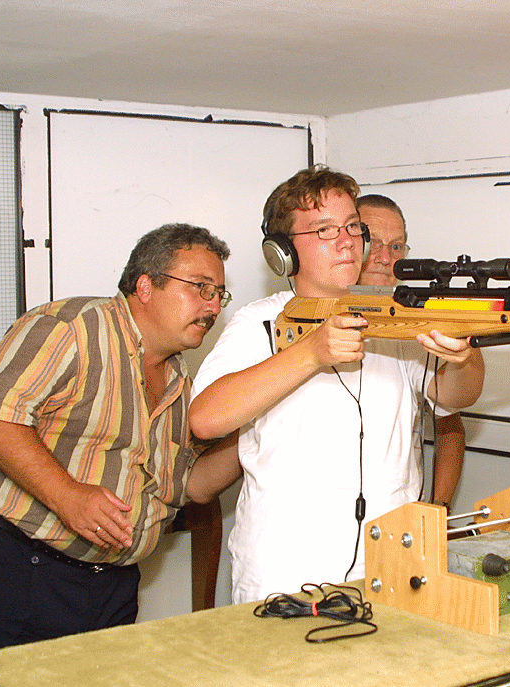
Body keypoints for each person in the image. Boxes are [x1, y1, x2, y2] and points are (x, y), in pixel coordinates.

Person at [0, 223, 235, 652]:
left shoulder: (177, 378)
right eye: (200, 287)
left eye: (219, 293)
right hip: (8, 560)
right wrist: (67, 495)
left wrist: (253, 431)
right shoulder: (71, 327)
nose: (212, 305)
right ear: (146, 286)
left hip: (107, 586)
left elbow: (189, 485)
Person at [189, 166, 484, 604]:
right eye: (324, 230)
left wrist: (461, 358)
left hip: (391, 562)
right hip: (285, 570)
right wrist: (310, 353)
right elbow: (206, 419)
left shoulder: (392, 317)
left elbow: (456, 397)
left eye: (351, 226)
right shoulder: (259, 322)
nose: (347, 240)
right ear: (284, 252)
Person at [356, 193, 467, 509]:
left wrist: (437, 508)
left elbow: (449, 423)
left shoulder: (413, 323)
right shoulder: (305, 314)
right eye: (372, 242)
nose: (384, 257)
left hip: (400, 525)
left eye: (395, 246)